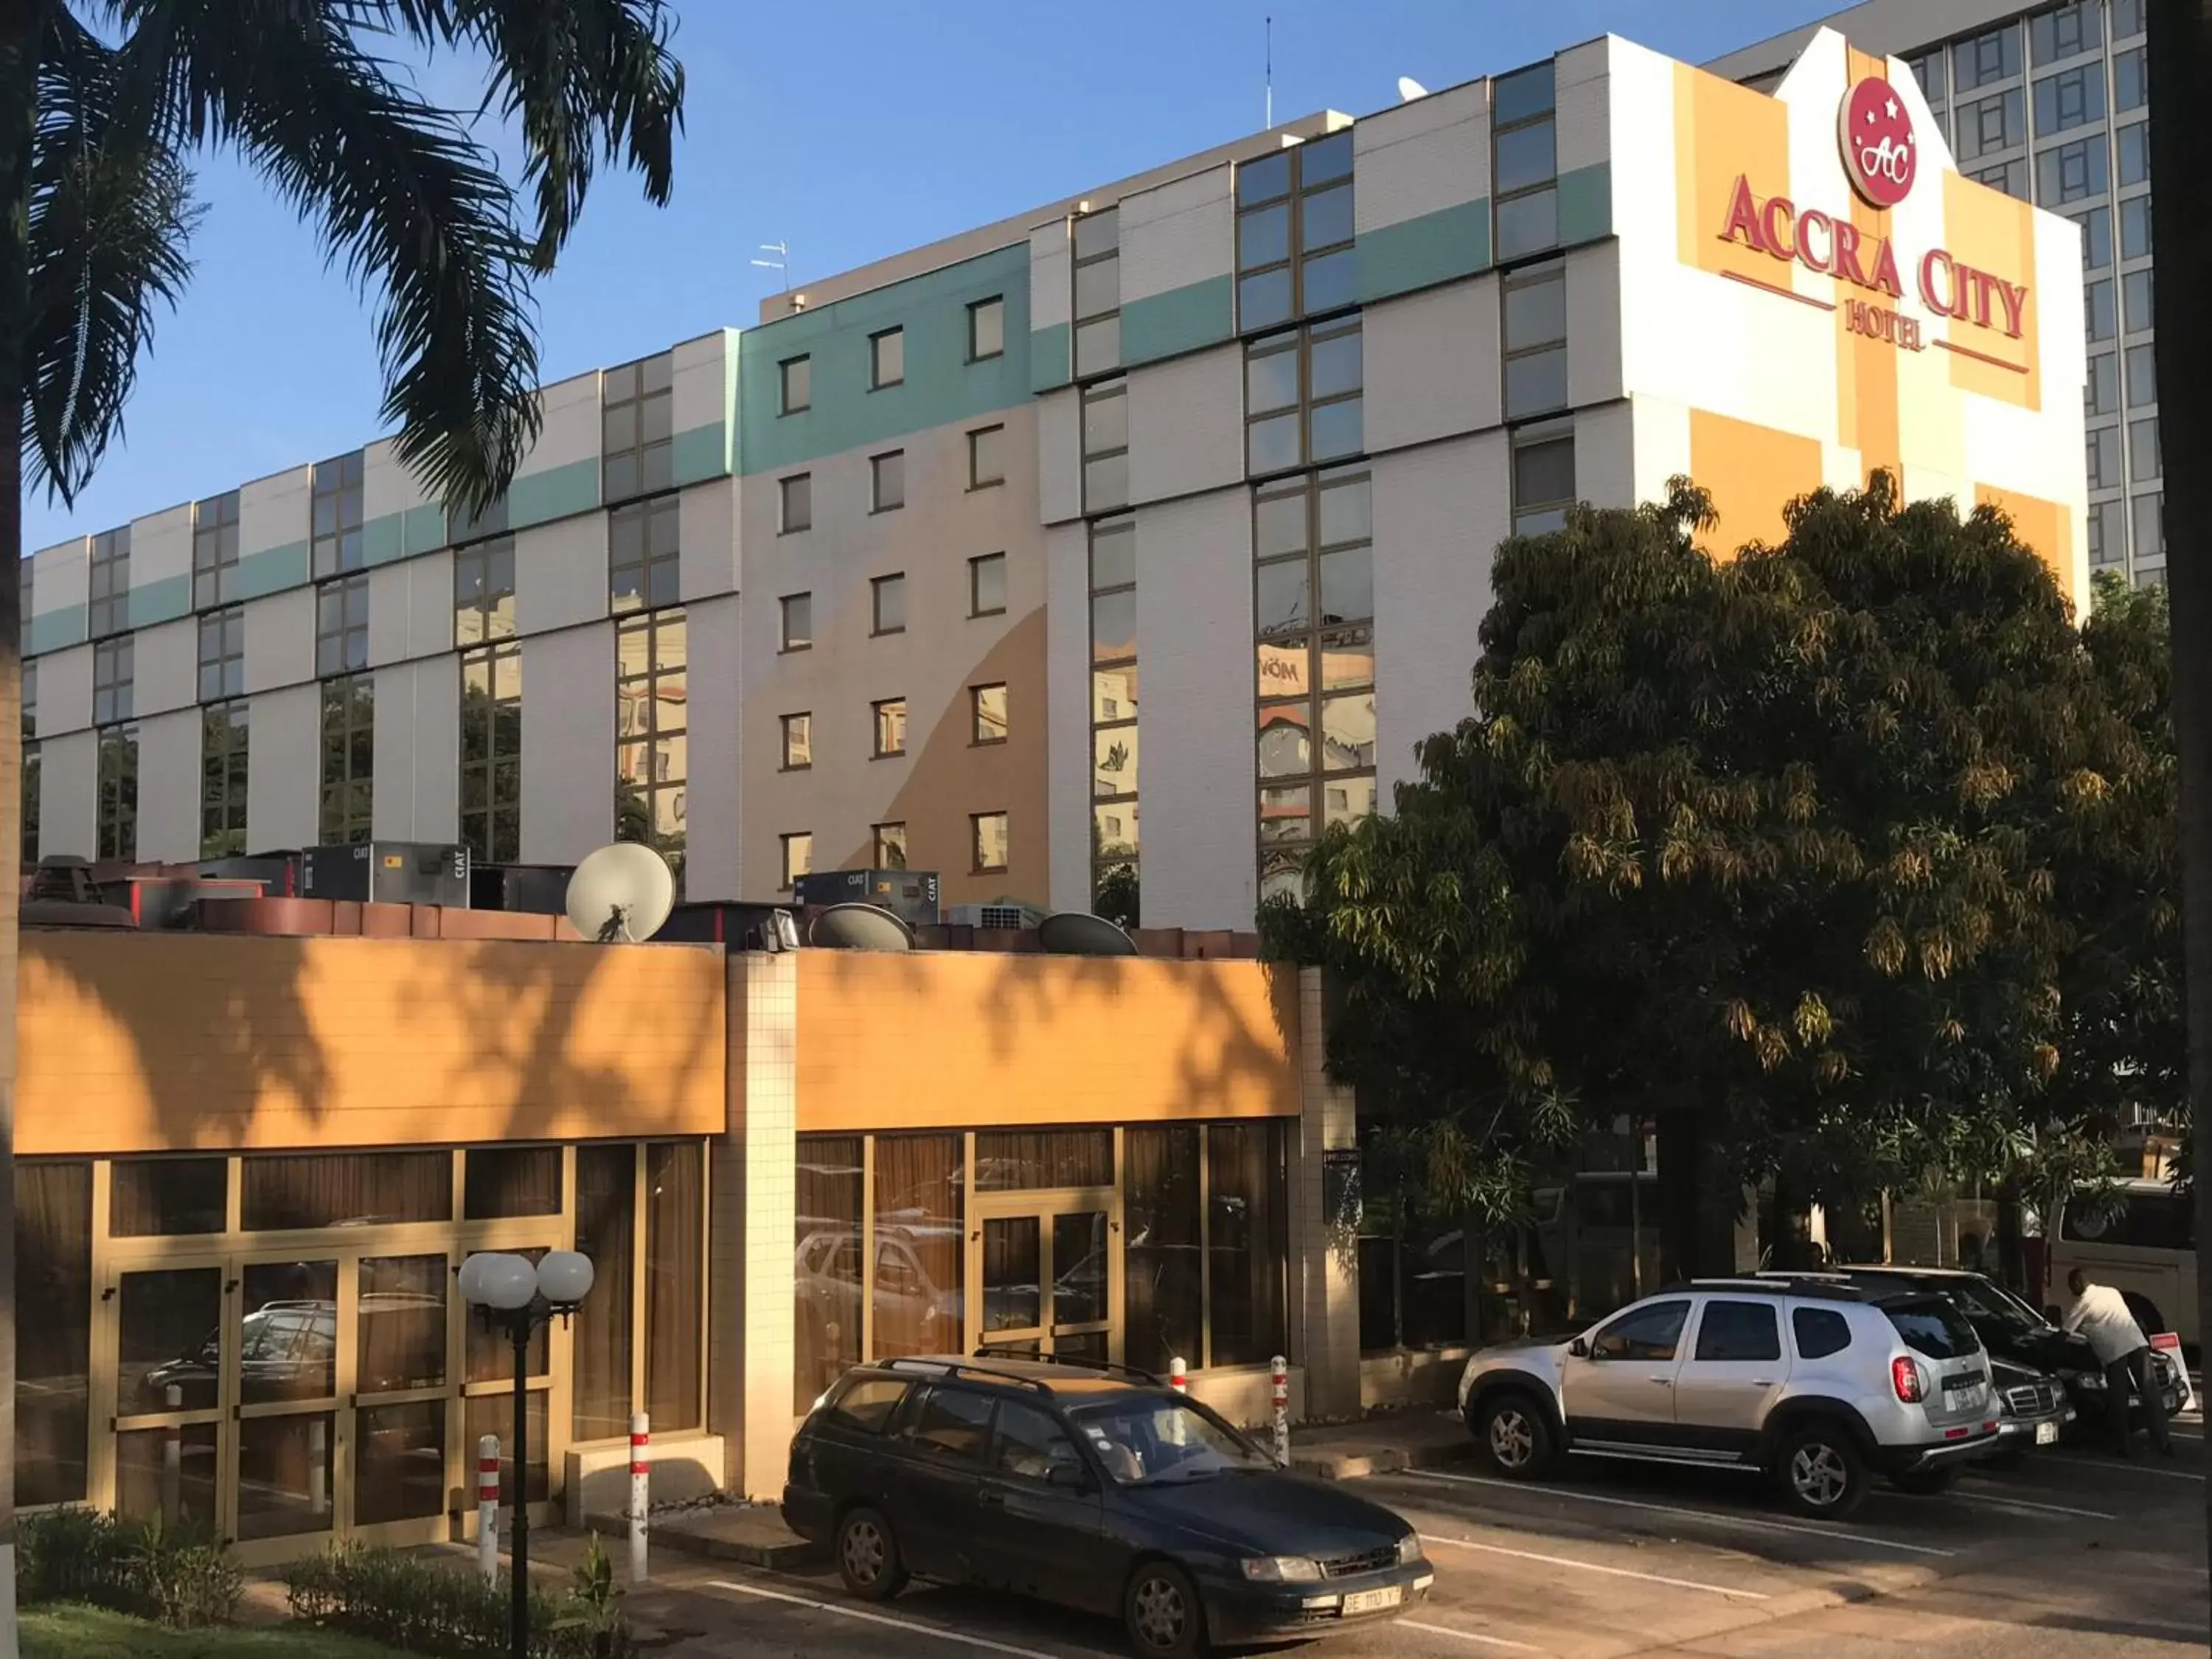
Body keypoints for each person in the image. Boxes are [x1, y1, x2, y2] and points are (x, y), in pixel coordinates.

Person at [2062, 1267, 2174, 1458]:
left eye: (2071, 1286)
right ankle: (2164, 1442)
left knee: (2119, 1399)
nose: (2071, 1290)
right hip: (2137, 1343)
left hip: (2115, 1353)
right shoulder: (2112, 1292)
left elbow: (2064, 1333)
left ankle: (2124, 1446)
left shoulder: (2082, 1303)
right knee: (2151, 1392)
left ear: (2078, 1283)